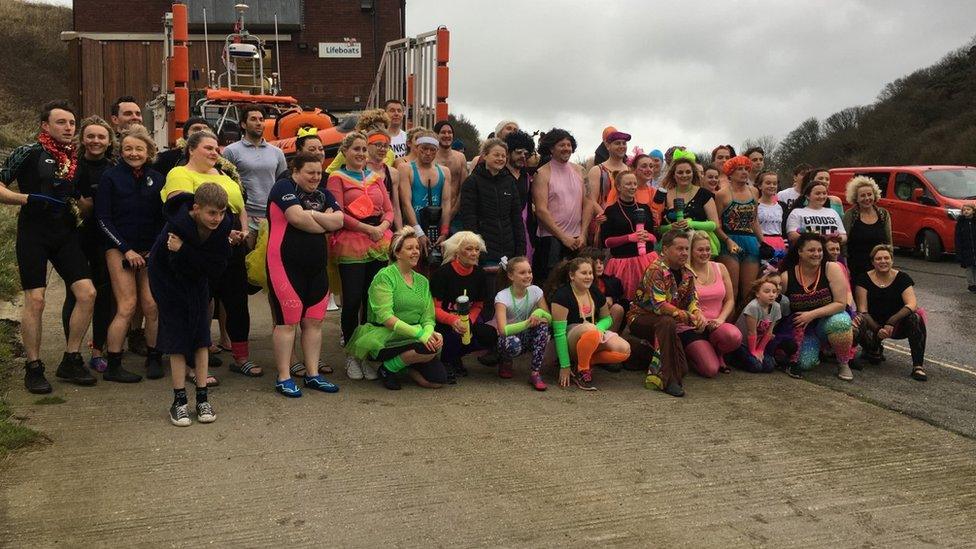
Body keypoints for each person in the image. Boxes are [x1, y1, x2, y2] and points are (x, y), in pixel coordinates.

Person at [0, 100, 97, 393]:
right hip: (33, 233)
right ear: (45, 126)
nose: (68, 128)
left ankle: (71, 358)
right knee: (37, 300)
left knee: (87, 293)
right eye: (61, 122)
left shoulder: (76, 159)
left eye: (71, 123)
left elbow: (81, 198)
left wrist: (85, 205)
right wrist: (27, 198)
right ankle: (33, 366)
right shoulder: (28, 153)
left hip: (65, 234)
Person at [161, 131, 257, 378]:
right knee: (198, 303)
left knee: (237, 300)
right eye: (208, 148)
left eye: (216, 148)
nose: (215, 152)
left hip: (230, 245)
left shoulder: (223, 173)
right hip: (197, 247)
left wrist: (243, 230)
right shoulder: (179, 173)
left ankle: (241, 356)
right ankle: (193, 365)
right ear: (191, 149)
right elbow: (181, 212)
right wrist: (219, 236)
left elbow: (238, 205)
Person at [148, 183, 231, 426]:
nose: (217, 219)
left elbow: (217, 267)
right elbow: (177, 266)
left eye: (222, 212)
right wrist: (194, 257)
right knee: (177, 341)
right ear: (196, 209)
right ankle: (179, 401)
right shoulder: (175, 227)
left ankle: (202, 398)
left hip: (197, 283)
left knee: (201, 338)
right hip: (168, 284)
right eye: (211, 213)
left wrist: (185, 250)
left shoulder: (221, 227)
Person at [266, 153, 345, 397]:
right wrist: (324, 220)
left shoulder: (322, 193)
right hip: (285, 265)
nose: (315, 177)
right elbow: (296, 217)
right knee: (287, 322)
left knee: (314, 322)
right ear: (296, 171)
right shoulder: (283, 187)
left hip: (316, 267)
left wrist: (313, 215)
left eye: (319, 173)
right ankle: (284, 377)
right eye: (310, 172)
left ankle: (313, 374)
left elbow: (339, 220)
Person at [96, 124, 165, 383]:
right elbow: (103, 219)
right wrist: (126, 249)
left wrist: (154, 249)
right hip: (119, 248)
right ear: (120, 151)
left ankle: (154, 356)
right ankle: (113, 363)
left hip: (150, 250)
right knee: (127, 306)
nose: (133, 153)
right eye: (128, 149)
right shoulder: (111, 177)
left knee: (151, 305)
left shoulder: (158, 179)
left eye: (139, 149)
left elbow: (163, 218)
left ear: (148, 152)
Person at [327, 132, 394, 380]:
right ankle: (351, 355)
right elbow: (338, 212)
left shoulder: (376, 178)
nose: (361, 154)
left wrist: (383, 227)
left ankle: (367, 352)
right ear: (345, 151)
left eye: (364, 149)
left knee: (373, 302)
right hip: (352, 240)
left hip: (378, 240)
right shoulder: (337, 177)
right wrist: (368, 229)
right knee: (353, 300)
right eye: (356, 149)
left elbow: (389, 209)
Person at [346, 227, 448, 390]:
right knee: (424, 348)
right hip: (385, 337)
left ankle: (403, 365)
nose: (415, 252)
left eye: (417, 248)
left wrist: (429, 332)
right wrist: (420, 334)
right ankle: (387, 369)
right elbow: (386, 318)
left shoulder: (422, 281)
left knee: (436, 381)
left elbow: (428, 317)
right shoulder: (385, 276)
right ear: (397, 253)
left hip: (413, 337)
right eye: (409, 248)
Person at [65, 115, 116, 374]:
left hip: (104, 239)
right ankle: (71, 351)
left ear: (109, 142)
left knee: (105, 295)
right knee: (74, 294)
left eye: (101, 137)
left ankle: (98, 350)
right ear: (82, 139)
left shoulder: (114, 168)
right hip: (74, 238)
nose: (95, 141)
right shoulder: (70, 166)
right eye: (91, 136)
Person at [627, 231, 702, 397]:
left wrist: (697, 312)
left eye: (686, 249)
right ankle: (667, 380)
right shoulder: (656, 270)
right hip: (640, 317)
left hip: (668, 321)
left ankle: (640, 353)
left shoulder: (687, 273)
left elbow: (691, 299)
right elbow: (659, 305)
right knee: (667, 322)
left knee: (683, 369)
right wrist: (684, 315)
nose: (684, 253)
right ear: (666, 249)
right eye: (679, 248)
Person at [545, 256, 631, 390]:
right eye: (584, 273)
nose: (589, 277)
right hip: (568, 339)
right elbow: (559, 333)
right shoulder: (562, 295)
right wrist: (564, 366)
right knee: (589, 329)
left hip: (591, 334)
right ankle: (582, 371)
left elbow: (607, 318)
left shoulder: (594, 291)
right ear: (572, 276)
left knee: (624, 350)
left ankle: (585, 362)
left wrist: (598, 329)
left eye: (590, 273)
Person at [779, 233, 855, 380]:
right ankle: (820, 350)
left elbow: (840, 303)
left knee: (840, 322)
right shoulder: (786, 277)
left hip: (826, 322)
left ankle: (843, 363)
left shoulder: (831, 268)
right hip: (802, 331)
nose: (817, 254)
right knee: (805, 363)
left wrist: (811, 314)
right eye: (811, 250)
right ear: (800, 252)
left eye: (820, 250)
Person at [430, 231, 499, 382]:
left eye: (477, 249)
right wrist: (453, 321)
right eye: (469, 249)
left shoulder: (480, 274)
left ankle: (456, 356)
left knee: (490, 334)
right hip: (443, 323)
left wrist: (469, 320)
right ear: (457, 251)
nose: (474, 253)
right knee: (453, 335)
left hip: (466, 320)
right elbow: (434, 309)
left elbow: (479, 304)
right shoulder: (442, 273)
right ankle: (446, 361)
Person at [854, 245, 927, 381]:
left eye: (886, 258)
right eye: (879, 259)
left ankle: (918, 366)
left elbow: (912, 304)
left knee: (916, 318)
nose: (883, 261)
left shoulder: (903, 278)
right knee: (859, 321)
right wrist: (877, 329)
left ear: (892, 260)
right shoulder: (863, 279)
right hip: (873, 324)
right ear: (873, 262)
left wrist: (892, 321)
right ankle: (873, 350)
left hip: (896, 324)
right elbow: (862, 310)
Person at [222, 105, 288, 247]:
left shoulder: (277, 152)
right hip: (245, 217)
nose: (259, 123)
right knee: (246, 261)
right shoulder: (231, 151)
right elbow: (226, 183)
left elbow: (282, 183)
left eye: (261, 119)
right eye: (253, 119)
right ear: (243, 124)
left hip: (271, 216)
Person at [532, 128, 589, 282]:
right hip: (551, 239)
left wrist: (583, 233)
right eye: (561, 145)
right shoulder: (542, 173)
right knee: (551, 284)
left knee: (576, 283)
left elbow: (587, 203)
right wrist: (563, 237)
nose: (566, 148)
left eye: (569, 145)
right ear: (551, 148)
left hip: (577, 239)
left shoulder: (580, 171)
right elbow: (541, 210)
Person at [459, 138, 525, 268]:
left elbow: (517, 218)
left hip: (509, 251)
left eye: (503, 156)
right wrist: (478, 250)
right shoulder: (472, 182)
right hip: (484, 252)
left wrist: (520, 249)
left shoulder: (509, 182)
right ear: (485, 155)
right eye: (496, 155)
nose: (500, 158)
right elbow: (469, 219)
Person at [687, 231, 742, 376]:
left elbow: (730, 299)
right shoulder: (684, 272)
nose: (705, 253)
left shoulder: (720, 267)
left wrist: (720, 319)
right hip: (694, 326)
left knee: (734, 336)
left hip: (716, 324)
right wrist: (697, 318)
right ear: (691, 251)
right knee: (710, 370)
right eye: (700, 250)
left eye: (707, 249)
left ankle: (718, 353)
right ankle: (691, 354)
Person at [491, 256, 551, 389]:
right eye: (522, 273)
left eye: (529, 272)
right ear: (511, 276)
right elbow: (503, 330)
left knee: (542, 326)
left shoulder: (535, 291)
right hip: (509, 338)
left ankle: (535, 373)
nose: (528, 276)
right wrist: (528, 323)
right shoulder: (502, 296)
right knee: (511, 343)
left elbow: (549, 318)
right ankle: (505, 361)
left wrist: (538, 313)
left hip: (526, 335)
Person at [598, 170, 656, 299]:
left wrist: (648, 237)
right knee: (627, 299)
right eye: (628, 184)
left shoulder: (645, 208)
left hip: (647, 259)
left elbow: (654, 236)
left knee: (651, 298)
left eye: (635, 183)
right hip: (623, 263)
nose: (633, 187)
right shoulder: (610, 210)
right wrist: (629, 238)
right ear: (618, 187)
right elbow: (606, 241)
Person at [715, 155, 764, 303]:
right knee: (732, 290)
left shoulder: (754, 191)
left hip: (750, 240)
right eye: (739, 169)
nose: (744, 172)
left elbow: (754, 220)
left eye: (746, 169)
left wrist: (763, 242)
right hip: (730, 240)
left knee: (749, 291)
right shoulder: (722, 194)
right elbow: (717, 224)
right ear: (730, 172)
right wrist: (727, 240)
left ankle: (745, 324)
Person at [397, 132, 453, 260]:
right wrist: (418, 232)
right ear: (416, 148)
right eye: (424, 149)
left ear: (437, 151)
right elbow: (406, 203)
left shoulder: (444, 171)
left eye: (432, 150)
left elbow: (446, 203)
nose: (428, 153)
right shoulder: (405, 168)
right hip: (413, 229)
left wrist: (444, 232)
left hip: (436, 231)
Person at [726, 275, 795, 373]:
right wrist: (754, 352)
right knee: (756, 367)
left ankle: (750, 358)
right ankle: (735, 359)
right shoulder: (753, 307)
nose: (771, 295)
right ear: (757, 294)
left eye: (774, 292)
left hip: (757, 342)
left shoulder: (776, 307)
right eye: (767, 292)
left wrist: (760, 351)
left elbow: (769, 332)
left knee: (769, 366)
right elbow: (751, 333)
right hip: (743, 343)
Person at [659, 152, 723, 256]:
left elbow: (714, 225)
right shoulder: (665, 195)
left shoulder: (704, 194)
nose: (684, 175)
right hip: (673, 249)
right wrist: (671, 227)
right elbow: (658, 228)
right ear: (673, 175)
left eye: (688, 172)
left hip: (699, 248)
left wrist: (690, 224)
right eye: (680, 172)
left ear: (693, 173)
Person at [842, 176, 892, 281]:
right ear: (856, 198)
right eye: (862, 196)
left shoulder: (883, 214)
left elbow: (889, 242)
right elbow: (844, 243)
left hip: (879, 266)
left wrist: (889, 262)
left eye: (869, 194)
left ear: (875, 195)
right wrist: (845, 266)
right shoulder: (850, 215)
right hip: (856, 267)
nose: (867, 198)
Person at [504, 129, 537, 259]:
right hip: (505, 231)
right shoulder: (501, 174)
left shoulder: (526, 176)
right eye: (518, 152)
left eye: (526, 153)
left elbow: (529, 208)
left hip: (524, 232)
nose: (523, 156)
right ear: (508, 152)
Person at [786, 176, 846, 244]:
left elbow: (844, 236)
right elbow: (792, 236)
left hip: (831, 251)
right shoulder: (797, 213)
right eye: (817, 193)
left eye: (824, 193)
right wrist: (819, 238)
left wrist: (838, 238)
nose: (821, 196)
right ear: (807, 196)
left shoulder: (833, 212)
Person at [365, 130, 403, 231]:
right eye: (378, 145)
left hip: (386, 226)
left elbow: (395, 207)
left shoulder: (393, 173)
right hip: (364, 224)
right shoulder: (359, 170)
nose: (382, 149)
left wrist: (400, 233)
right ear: (367, 146)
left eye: (386, 146)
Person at [433, 120, 468, 227]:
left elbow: (464, 187)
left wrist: (454, 211)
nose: (447, 135)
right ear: (436, 135)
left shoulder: (460, 157)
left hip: (456, 211)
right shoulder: (431, 158)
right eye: (443, 132)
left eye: (450, 132)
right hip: (434, 211)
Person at [586, 128, 630, 213]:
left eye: (624, 143)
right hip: (603, 220)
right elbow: (591, 200)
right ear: (607, 145)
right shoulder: (597, 171)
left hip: (626, 220)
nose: (622, 146)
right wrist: (607, 218)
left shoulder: (629, 170)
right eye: (617, 143)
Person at [756, 171, 787, 259]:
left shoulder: (782, 206)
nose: (772, 186)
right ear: (760, 186)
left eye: (774, 183)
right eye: (768, 183)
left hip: (779, 243)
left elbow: (784, 229)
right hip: (761, 243)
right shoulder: (755, 205)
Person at [956, 203, 976, 292]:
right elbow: (957, 238)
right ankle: (971, 285)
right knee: (969, 268)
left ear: (973, 211)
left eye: (968, 209)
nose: (966, 211)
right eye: (964, 210)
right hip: (966, 250)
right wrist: (959, 252)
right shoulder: (961, 223)